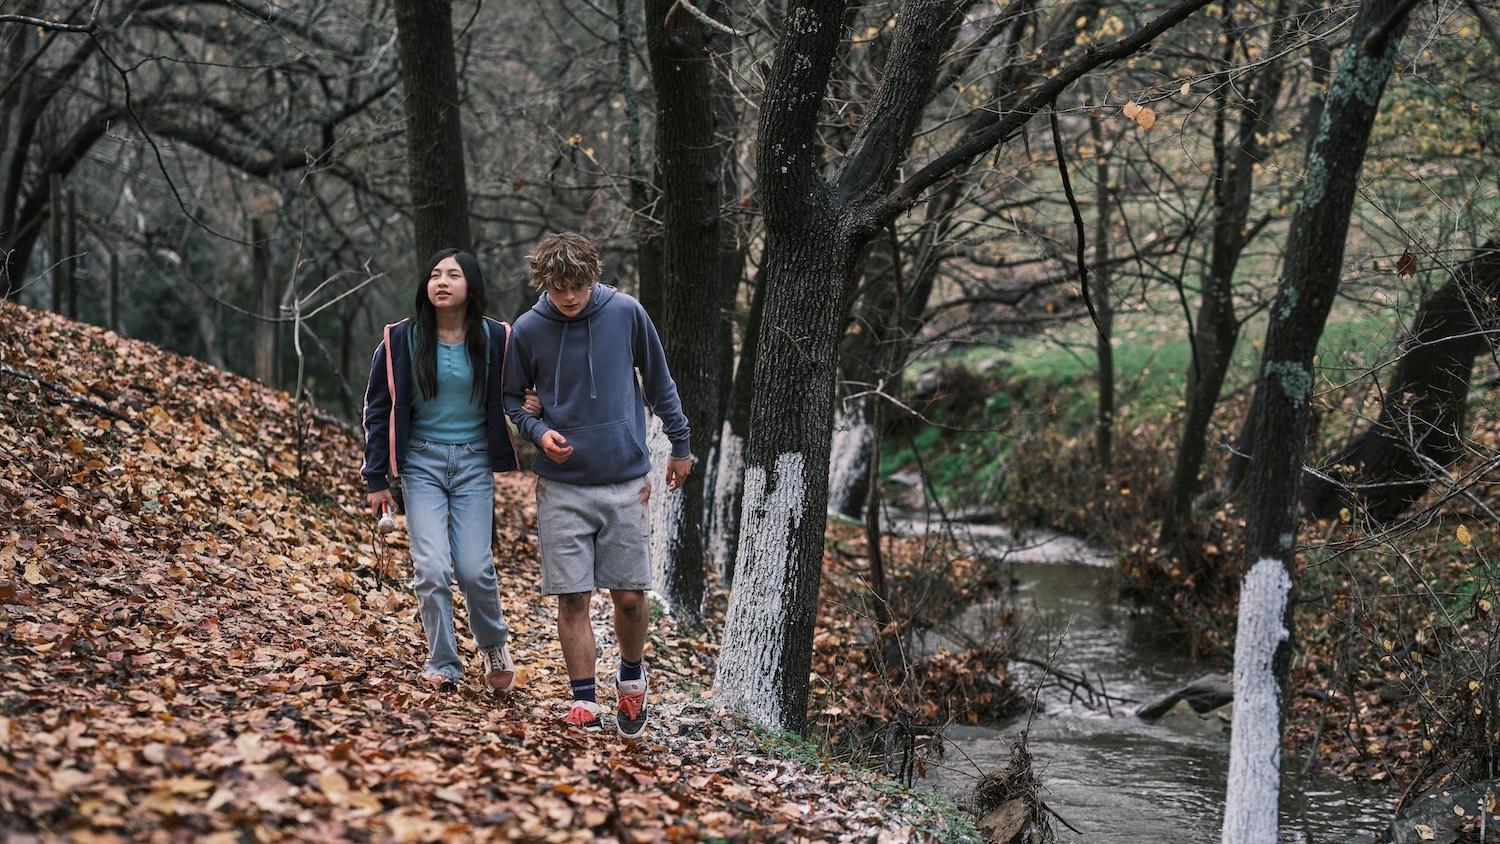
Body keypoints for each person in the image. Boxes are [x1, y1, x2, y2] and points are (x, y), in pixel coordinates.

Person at [502, 232, 691, 738]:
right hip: (561, 486)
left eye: (579, 285)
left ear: (593, 276)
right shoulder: (527, 329)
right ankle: (583, 699)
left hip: (625, 481)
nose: (570, 296)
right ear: (544, 283)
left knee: (629, 597)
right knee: (573, 598)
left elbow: (659, 381)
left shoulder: (626, 312)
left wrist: (681, 445)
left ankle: (632, 680)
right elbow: (512, 400)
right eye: (560, 287)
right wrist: (540, 434)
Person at [361, 247, 537, 693]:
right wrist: (376, 477)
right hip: (421, 463)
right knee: (433, 568)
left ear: (470, 285)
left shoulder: (497, 337)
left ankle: (494, 645)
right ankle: (443, 660)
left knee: (475, 567)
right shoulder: (400, 339)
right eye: (435, 274)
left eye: (453, 275)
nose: (441, 282)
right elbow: (378, 409)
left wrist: (535, 404)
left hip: (475, 463)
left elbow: (519, 390)